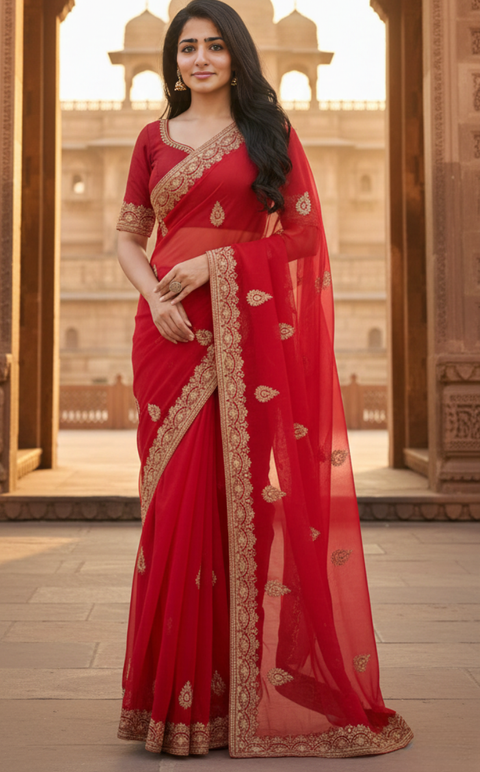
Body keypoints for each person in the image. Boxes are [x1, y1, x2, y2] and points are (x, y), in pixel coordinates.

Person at [115, 0, 413, 758]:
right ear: (172, 61)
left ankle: (230, 698)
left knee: (239, 507)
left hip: (242, 334)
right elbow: (126, 238)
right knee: (172, 507)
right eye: (188, 48)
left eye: (215, 46)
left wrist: (213, 265)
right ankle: (168, 702)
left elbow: (304, 236)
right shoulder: (152, 139)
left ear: (238, 55)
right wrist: (156, 293)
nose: (201, 59)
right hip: (169, 333)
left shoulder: (268, 134)